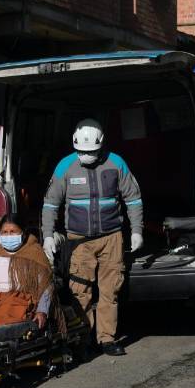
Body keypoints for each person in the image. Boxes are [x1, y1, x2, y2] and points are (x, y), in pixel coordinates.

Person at [41, 118, 142, 357]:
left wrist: (137, 230)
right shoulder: (64, 166)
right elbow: (50, 204)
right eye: (81, 152)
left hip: (112, 237)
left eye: (91, 152)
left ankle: (107, 339)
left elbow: (133, 199)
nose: (86, 156)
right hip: (79, 241)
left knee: (110, 290)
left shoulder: (116, 163)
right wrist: (47, 235)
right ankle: (82, 339)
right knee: (80, 291)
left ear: (101, 145)